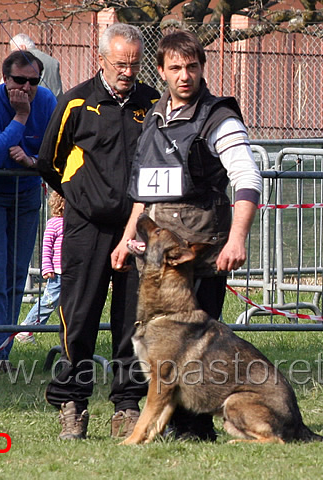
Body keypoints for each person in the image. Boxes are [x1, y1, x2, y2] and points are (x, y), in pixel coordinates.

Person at [111, 29, 262, 441]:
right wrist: (127, 238)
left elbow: (248, 177)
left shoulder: (219, 118)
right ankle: (151, 420)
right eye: (175, 67)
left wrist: (237, 239)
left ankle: (195, 429)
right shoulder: (155, 116)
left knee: (197, 353)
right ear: (159, 70)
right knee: (147, 344)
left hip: (198, 255)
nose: (184, 75)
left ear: (202, 68)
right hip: (153, 257)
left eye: (192, 66)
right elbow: (144, 191)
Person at [37, 23, 160, 441]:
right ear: (101, 59)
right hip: (86, 230)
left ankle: (127, 405)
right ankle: (72, 402)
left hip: (137, 230)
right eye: (120, 63)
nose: (127, 71)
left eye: (134, 64)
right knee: (80, 315)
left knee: (132, 321)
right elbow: (49, 161)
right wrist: (81, 196)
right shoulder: (75, 101)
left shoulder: (152, 104)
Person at [0, 51, 57, 373]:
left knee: (16, 274)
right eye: (19, 80)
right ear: (5, 79)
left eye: (34, 81)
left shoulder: (47, 100)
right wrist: (21, 117)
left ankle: (1, 351)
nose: (27, 87)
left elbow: (52, 151)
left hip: (26, 196)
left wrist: (33, 162)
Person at [15, 191, 65, 344]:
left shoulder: (77, 224)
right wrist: (47, 267)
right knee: (49, 301)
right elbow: (47, 248)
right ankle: (27, 328)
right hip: (58, 272)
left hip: (73, 271)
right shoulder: (54, 224)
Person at [11, 33, 63, 98]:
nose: (12, 54)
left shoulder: (24, 61)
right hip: (55, 102)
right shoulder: (53, 61)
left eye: (13, 51)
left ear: (22, 47)